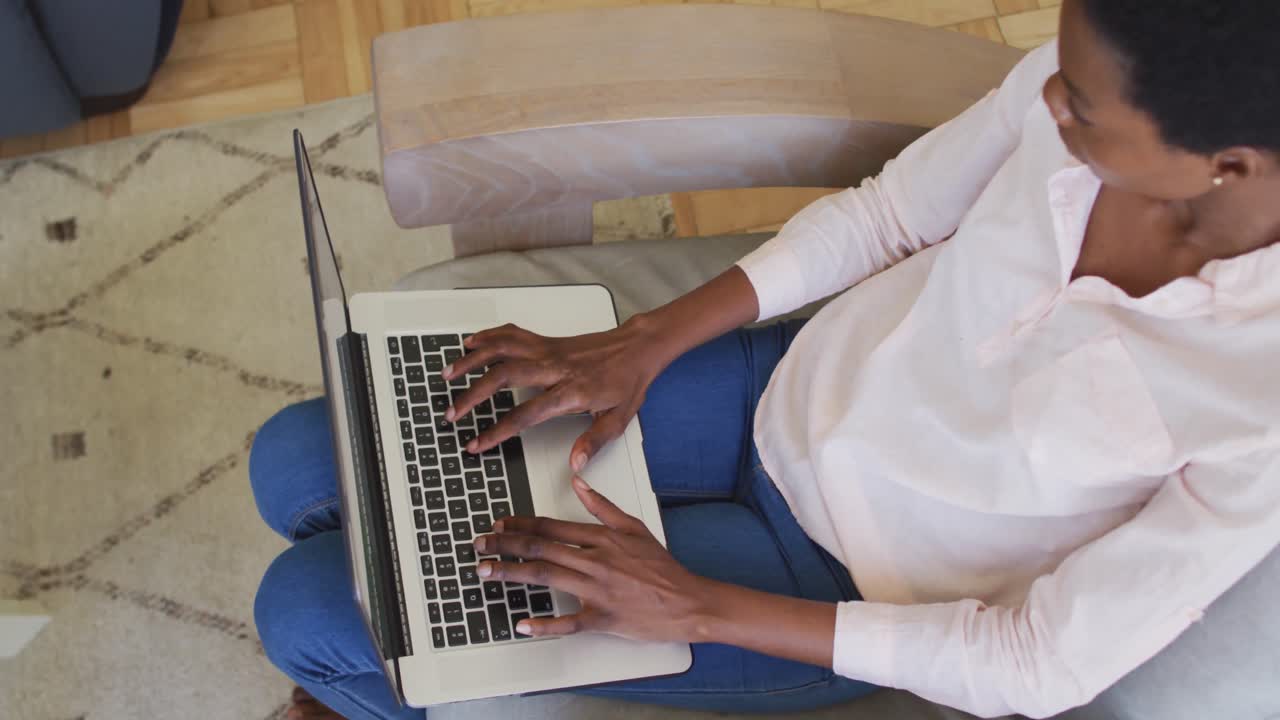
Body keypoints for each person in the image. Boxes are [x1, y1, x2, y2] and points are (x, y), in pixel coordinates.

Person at [249, 1, 1280, 718]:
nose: (1046, 104)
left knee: (306, 606)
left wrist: (690, 607)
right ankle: (409, 667)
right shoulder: (1052, 96)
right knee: (295, 457)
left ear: (1226, 165)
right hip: (777, 386)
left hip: (834, 587)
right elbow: (886, 217)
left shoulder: (1260, 397)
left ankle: (386, 694)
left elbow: (1042, 660)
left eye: (1084, 111)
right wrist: (640, 341)